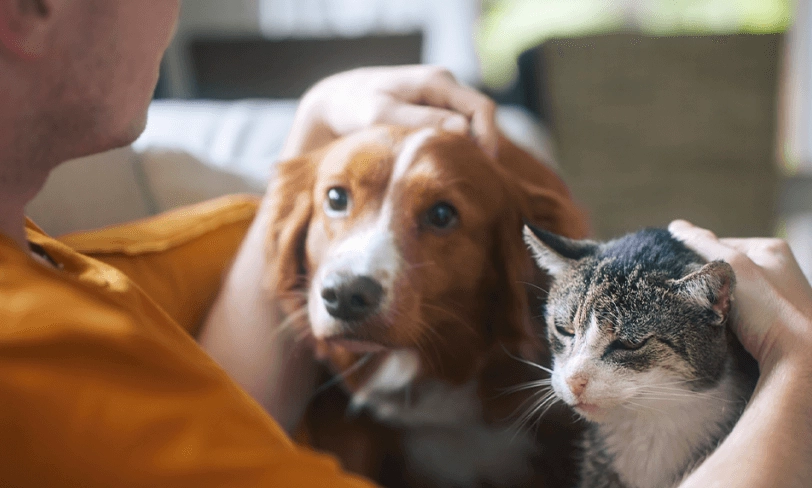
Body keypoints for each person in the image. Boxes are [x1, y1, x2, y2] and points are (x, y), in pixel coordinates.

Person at [0, 1, 809, 486]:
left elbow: (218, 425)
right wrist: (797, 374)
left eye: (442, 218)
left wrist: (317, 124)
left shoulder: (36, 261)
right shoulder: (28, 358)